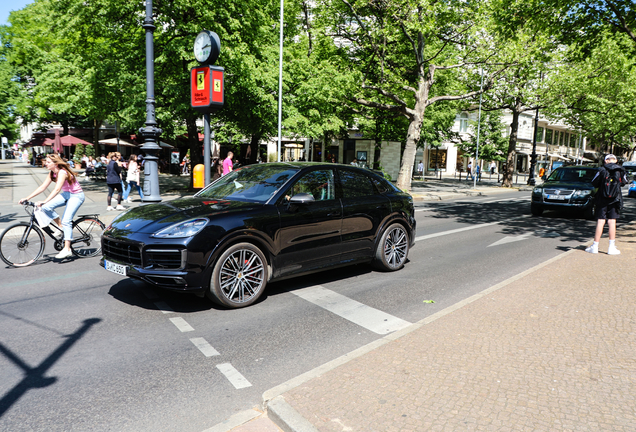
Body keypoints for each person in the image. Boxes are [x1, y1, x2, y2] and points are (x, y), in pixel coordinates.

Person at [19, 154, 85, 259]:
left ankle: (67, 249)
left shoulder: (62, 172)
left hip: (76, 196)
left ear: (55, 164)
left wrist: (45, 200)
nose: (46, 164)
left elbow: (57, 189)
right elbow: (42, 187)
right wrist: (27, 198)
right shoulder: (52, 173)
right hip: (67, 194)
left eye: (48, 162)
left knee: (66, 220)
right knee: (46, 208)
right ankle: (61, 227)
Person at [586, 154, 628, 255]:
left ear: (605, 161)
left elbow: (594, 182)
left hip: (602, 199)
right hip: (615, 199)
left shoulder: (601, 170)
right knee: (612, 222)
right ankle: (611, 247)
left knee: (600, 221)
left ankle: (595, 246)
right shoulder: (621, 170)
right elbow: (625, 182)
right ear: (616, 160)